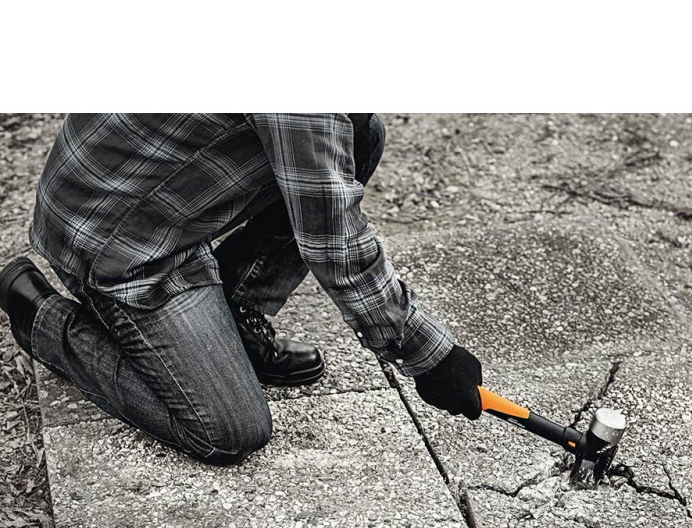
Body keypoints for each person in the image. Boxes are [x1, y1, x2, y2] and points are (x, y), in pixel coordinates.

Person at [0, 114, 483, 465]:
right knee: (228, 429)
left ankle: (234, 309)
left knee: (358, 136)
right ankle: (40, 316)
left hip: (142, 194)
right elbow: (334, 241)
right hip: (113, 238)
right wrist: (431, 358)